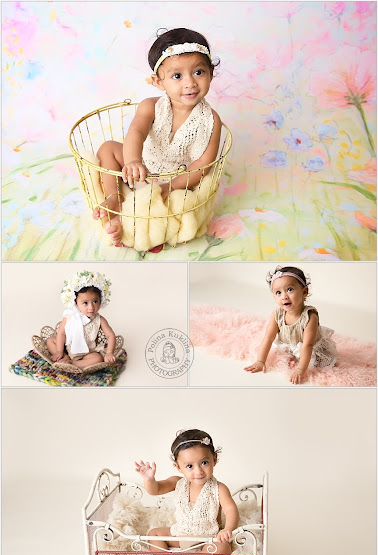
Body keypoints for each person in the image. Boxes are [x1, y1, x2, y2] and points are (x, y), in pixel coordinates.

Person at [93, 27, 222, 247]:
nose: (190, 82)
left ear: (211, 72)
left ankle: (139, 230)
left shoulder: (211, 120)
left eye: (198, 72)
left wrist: (168, 187)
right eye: (177, 76)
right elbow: (136, 132)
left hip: (177, 182)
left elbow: (203, 166)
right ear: (158, 82)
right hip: (142, 170)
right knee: (107, 148)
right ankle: (115, 197)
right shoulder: (150, 107)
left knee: (181, 206)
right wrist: (133, 161)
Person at [135, 429, 239, 555]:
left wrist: (227, 529)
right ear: (178, 467)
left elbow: (231, 510)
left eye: (204, 463)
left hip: (206, 539)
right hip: (180, 534)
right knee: (154, 534)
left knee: (222, 548)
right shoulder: (177, 483)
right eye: (189, 466)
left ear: (214, 459)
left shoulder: (219, 488)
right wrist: (149, 479)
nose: (198, 471)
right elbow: (156, 489)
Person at [244, 265, 338, 384]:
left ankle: (298, 361)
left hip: (308, 348)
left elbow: (308, 345)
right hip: (289, 345)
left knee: (316, 362)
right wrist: (260, 361)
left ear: (305, 292)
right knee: (282, 356)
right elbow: (268, 338)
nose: (284, 296)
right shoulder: (276, 315)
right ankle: (293, 357)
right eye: (278, 292)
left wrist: (300, 370)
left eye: (290, 289)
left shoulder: (310, 317)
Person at [46, 270, 117, 369]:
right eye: (85, 303)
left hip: (87, 352)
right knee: (50, 341)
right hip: (68, 348)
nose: (91, 307)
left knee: (98, 358)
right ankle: (65, 357)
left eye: (95, 301)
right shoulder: (70, 316)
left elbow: (110, 336)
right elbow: (61, 334)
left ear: (101, 300)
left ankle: (73, 363)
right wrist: (59, 351)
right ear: (76, 302)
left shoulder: (99, 319)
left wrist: (109, 353)